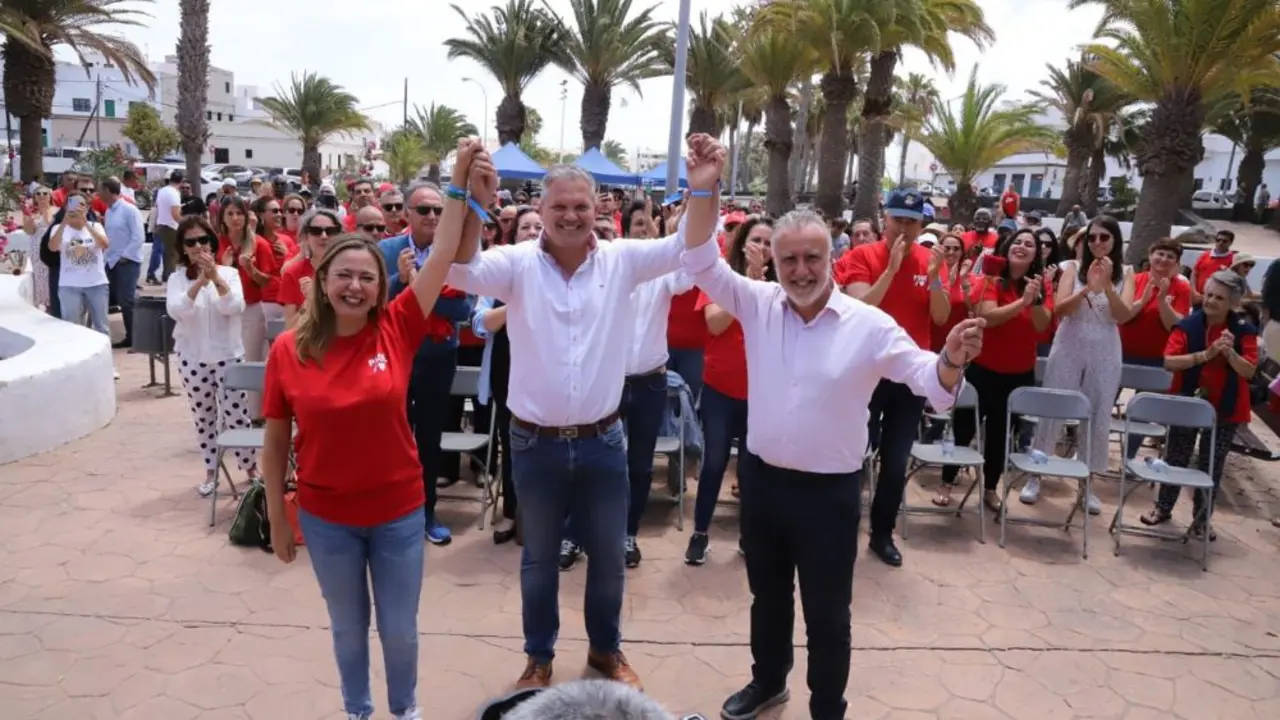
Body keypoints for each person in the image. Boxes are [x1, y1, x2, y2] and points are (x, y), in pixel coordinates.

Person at [444, 134, 725, 691]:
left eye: (580, 206)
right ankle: (539, 659)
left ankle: (604, 650)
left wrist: (703, 189)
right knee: (539, 558)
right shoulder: (517, 265)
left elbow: (689, 247)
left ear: (597, 209)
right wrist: (472, 199)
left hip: (603, 441)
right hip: (534, 443)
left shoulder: (622, 261)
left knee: (609, 557)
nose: (571, 216)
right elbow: (461, 269)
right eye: (560, 206)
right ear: (541, 209)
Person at [683, 206, 981, 720]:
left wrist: (951, 359)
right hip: (762, 483)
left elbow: (926, 379)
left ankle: (826, 708)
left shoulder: (868, 325)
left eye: (812, 258)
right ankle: (769, 682)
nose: (801, 270)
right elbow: (699, 261)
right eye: (789, 259)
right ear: (773, 261)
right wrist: (705, 190)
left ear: (832, 259)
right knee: (767, 597)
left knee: (827, 613)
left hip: (829, 495)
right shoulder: (756, 302)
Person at [259, 139, 478, 720]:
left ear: (382, 287)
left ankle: (404, 711)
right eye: (343, 275)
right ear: (322, 279)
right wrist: (278, 517)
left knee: (399, 630)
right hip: (326, 517)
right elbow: (275, 441)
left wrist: (457, 179)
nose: (354, 286)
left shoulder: (400, 326)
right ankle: (358, 710)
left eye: (367, 277)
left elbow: (443, 251)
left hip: (397, 514)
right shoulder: (288, 350)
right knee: (348, 628)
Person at [836, 186, 952, 568]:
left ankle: (881, 534)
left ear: (921, 225)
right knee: (855, 453)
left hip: (909, 377)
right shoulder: (862, 255)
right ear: (884, 219)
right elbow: (858, 305)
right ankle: (842, 528)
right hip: (865, 372)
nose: (904, 228)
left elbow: (940, 317)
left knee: (896, 460)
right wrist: (890, 270)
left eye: (912, 222)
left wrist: (934, 278)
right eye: (897, 220)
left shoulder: (931, 260)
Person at [378, 182, 475, 545]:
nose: (432, 216)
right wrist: (399, 281)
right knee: (394, 438)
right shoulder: (387, 250)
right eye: (423, 210)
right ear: (407, 213)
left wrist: (420, 288)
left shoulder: (455, 252)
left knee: (430, 440)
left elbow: (463, 309)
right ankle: (393, 514)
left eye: (438, 210)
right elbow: (373, 301)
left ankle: (427, 512)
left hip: (438, 357)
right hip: (396, 356)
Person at [937, 229, 1052, 510]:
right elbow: (987, 317)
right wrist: (1022, 302)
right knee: (963, 427)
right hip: (983, 368)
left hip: (1019, 373)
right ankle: (947, 482)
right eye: (1017, 241)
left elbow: (1042, 327)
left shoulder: (1042, 287)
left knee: (1001, 435)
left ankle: (990, 489)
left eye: (1030, 244)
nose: (1022, 246)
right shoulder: (990, 280)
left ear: (1036, 254)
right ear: (1007, 247)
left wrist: (1036, 299)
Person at [1027, 215, 1136, 510]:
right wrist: (1087, 288)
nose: (1097, 242)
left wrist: (1108, 286)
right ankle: (1036, 473)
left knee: (1099, 410)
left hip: (1105, 345)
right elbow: (1060, 310)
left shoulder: (1127, 272)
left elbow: (1123, 315)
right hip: (1070, 340)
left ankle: (1087, 484)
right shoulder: (1073, 268)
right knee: (1053, 403)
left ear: (1115, 240)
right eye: (1092, 238)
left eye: (1104, 237)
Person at [684, 215, 775, 565]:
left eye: (769, 243)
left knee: (752, 470)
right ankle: (700, 533)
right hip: (719, 389)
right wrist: (747, 284)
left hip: (761, 394)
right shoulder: (720, 278)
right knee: (714, 464)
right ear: (742, 242)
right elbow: (715, 323)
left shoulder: (782, 285)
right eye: (757, 240)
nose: (762, 248)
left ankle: (749, 536)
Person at [1141, 270, 1257, 540]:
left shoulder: (1243, 330)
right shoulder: (1188, 325)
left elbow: (1249, 371)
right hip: (1187, 403)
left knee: (1211, 464)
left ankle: (1202, 519)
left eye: (1219, 298)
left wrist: (1229, 352)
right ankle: (1163, 508)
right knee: (1175, 456)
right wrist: (1206, 354)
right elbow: (1169, 361)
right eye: (1209, 294)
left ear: (1233, 303)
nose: (1211, 301)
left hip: (1226, 408)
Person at [166, 215, 259, 496]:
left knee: (237, 415)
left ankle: (249, 468)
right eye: (191, 242)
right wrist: (199, 283)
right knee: (203, 417)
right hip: (192, 357)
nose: (198, 246)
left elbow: (234, 306)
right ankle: (211, 470)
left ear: (212, 242)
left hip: (228, 355)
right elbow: (177, 310)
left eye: (203, 240)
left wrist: (215, 278)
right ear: (183, 248)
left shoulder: (229, 274)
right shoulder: (177, 279)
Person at [49, 193, 111, 335]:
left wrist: (86, 224)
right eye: (73, 204)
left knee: (101, 326)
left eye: (82, 204)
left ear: (88, 208)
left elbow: (104, 244)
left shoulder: (96, 226)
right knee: (71, 325)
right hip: (69, 284)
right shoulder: (58, 228)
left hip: (96, 284)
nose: (78, 208)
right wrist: (64, 223)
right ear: (66, 207)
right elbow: (52, 247)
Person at [101, 177, 146, 349]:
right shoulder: (109, 211)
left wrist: (125, 256)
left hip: (128, 262)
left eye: (100, 190)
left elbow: (138, 236)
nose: (98, 193)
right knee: (119, 300)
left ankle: (135, 338)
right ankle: (132, 336)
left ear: (108, 191)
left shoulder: (129, 210)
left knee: (127, 301)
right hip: (111, 262)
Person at [279, 208, 342, 328]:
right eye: (316, 231)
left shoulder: (350, 271)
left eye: (330, 231)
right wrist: (310, 301)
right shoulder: (293, 273)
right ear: (306, 238)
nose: (324, 236)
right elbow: (290, 326)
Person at [22, 184, 56, 313]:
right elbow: (29, 231)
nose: (42, 196)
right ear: (34, 197)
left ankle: (52, 304)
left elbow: (49, 223)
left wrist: (44, 209)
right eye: (38, 194)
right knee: (39, 278)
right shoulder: (32, 212)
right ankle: (44, 303)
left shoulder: (55, 210)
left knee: (50, 277)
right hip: (36, 250)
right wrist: (29, 216)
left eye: (45, 193)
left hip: (50, 248)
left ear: (50, 196)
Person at [1190, 230, 1235, 305]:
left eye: (1224, 241)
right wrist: (1194, 291)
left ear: (1230, 243)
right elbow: (1194, 273)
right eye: (1218, 240)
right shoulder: (1205, 255)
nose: (1220, 243)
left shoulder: (1233, 260)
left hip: (1215, 301)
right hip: (1197, 297)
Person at [154, 170, 185, 280]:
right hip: (170, 226)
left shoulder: (162, 191)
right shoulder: (174, 193)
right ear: (181, 182)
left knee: (166, 254)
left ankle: (165, 276)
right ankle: (170, 278)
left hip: (160, 225)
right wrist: (185, 224)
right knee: (173, 254)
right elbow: (175, 214)